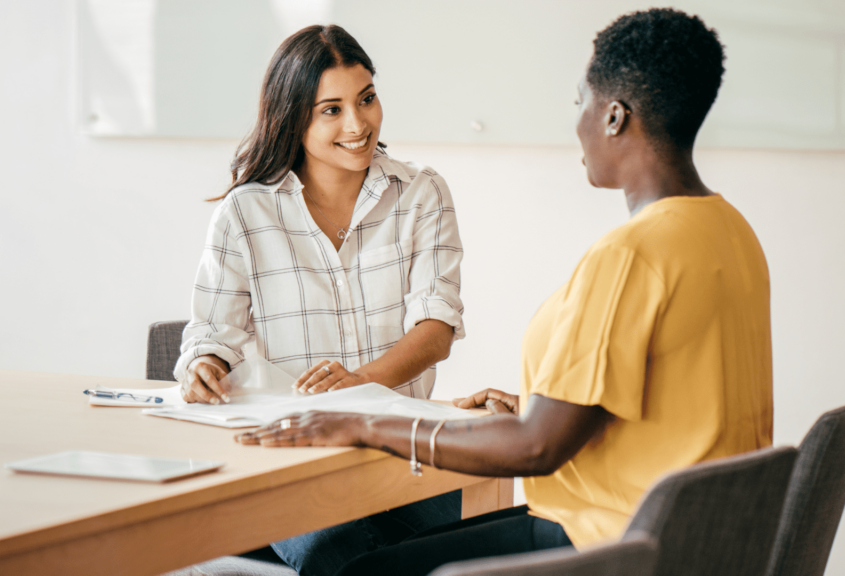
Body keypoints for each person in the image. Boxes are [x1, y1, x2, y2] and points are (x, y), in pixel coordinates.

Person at [237, 8, 774, 576]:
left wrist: (361, 423)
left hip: (612, 544)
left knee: (358, 571)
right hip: (700, 543)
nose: (578, 124)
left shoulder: (630, 257)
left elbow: (536, 450)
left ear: (614, 116)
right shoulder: (730, 232)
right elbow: (679, 405)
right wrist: (536, 408)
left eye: (580, 104)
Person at [174, 25, 465, 576]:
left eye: (367, 99)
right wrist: (205, 365)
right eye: (330, 109)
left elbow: (436, 325)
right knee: (335, 555)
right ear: (293, 117)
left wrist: (364, 381)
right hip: (294, 460)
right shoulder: (244, 213)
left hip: (403, 454)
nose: (358, 124)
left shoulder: (421, 193)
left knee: (458, 544)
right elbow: (213, 332)